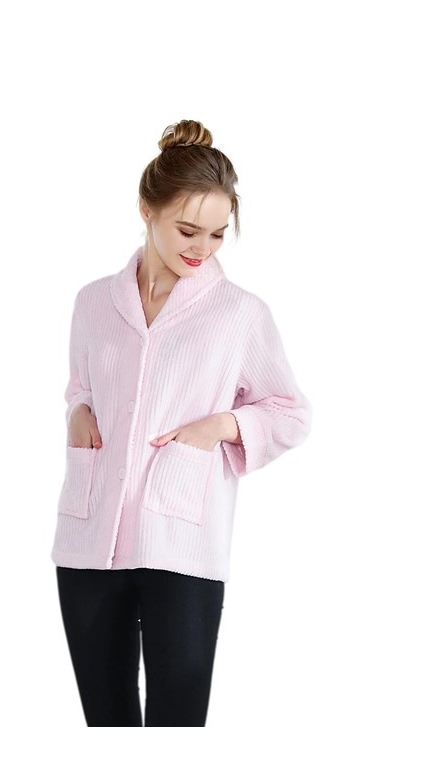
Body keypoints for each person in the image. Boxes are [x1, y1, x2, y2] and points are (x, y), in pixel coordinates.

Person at [52, 119, 313, 727]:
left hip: (182, 545)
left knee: (178, 725)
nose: (203, 248)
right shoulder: (93, 302)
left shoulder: (239, 314)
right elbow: (81, 386)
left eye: (219, 234)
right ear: (147, 210)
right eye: (187, 230)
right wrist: (77, 413)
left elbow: (290, 412)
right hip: (89, 540)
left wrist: (220, 425)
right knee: (106, 724)